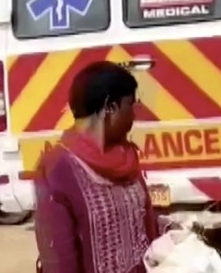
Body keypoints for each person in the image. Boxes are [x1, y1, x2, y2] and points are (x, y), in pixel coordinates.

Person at [35, 61, 158, 273]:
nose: (134, 116)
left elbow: (147, 230)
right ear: (110, 107)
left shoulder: (126, 160)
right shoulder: (58, 170)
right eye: (131, 105)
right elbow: (60, 263)